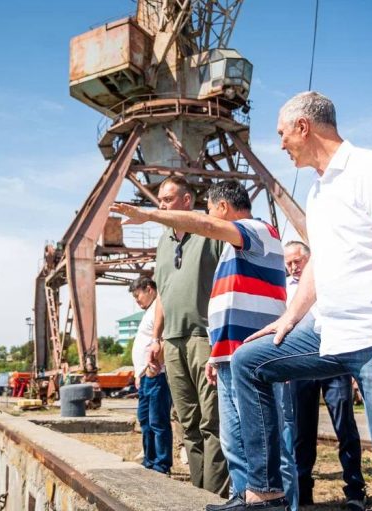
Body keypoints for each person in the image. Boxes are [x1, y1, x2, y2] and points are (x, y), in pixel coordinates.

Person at [230, 91, 372, 511]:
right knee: (248, 362)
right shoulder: (317, 192)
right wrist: (289, 318)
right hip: (330, 334)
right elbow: (320, 262)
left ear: (303, 127)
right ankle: (264, 494)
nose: (281, 144)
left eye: (282, 134)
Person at [112, 181, 298, 510]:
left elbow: (206, 225)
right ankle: (243, 498)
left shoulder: (257, 230)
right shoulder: (232, 248)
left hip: (253, 352)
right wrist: (216, 353)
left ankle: (280, 503)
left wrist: (149, 215)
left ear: (222, 208)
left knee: (267, 441)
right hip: (228, 353)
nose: (208, 218)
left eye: (210, 211)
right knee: (235, 439)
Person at [114, 176, 230, 495]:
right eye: (160, 200)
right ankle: (197, 492)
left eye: (168, 199)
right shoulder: (164, 242)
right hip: (173, 342)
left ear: (187, 201)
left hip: (205, 337)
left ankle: (215, 496)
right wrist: (157, 339)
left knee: (212, 423)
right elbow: (163, 293)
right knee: (188, 424)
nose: (162, 205)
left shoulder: (208, 230)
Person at [284, 241, 366, 508]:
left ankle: (355, 492)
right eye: (289, 263)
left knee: (345, 427)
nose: (293, 267)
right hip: (300, 367)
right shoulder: (284, 287)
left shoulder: (329, 282)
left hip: (334, 361)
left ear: (310, 261)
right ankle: (304, 492)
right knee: (302, 432)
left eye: (298, 262)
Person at [128, 276, 173, 474]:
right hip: (146, 375)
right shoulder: (149, 312)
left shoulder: (158, 308)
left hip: (157, 374)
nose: (137, 301)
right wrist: (139, 373)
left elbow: (163, 338)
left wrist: (158, 362)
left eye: (138, 296)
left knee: (157, 420)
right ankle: (150, 459)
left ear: (149, 289)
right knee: (145, 420)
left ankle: (161, 464)